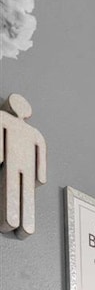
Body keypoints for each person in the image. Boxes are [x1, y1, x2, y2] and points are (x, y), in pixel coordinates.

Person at [0, 93, 47, 239]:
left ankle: (13, 220)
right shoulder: (35, 133)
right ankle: (25, 224)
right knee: (25, 191)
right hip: (26, 167)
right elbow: (41, 150)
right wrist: (40, 176)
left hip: (14, 161)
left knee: (14, 187)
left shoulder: (4, 118)